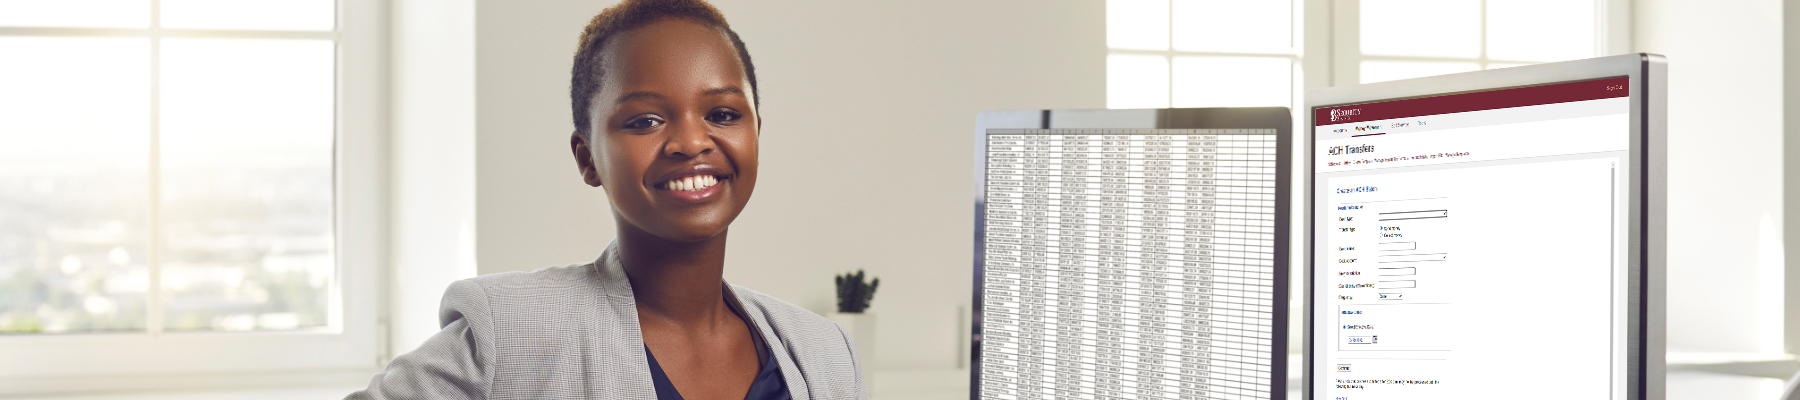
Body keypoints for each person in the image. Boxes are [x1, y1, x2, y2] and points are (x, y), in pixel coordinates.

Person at [348, 0, 865, 398]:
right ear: (587, 158)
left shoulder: (824, 353)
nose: (691, 142)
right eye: (645, 121)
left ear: (756, 133)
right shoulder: (508, 334)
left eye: (724, 114)